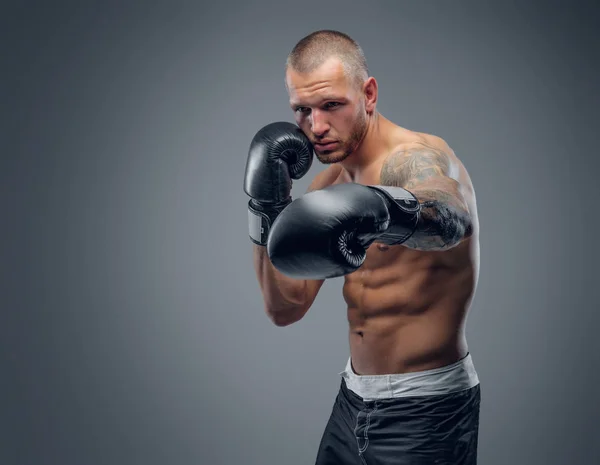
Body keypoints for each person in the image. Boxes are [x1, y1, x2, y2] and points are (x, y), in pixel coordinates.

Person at [243, 29, 481, 465]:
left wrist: (382, 208)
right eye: (302, 110)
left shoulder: (417, 156)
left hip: (426, 412)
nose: (316, 127)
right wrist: (266, 209)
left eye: (332, 105)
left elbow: (452, 220)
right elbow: (285, 308)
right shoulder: (326, 186)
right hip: (352, 401)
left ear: (368, 93)